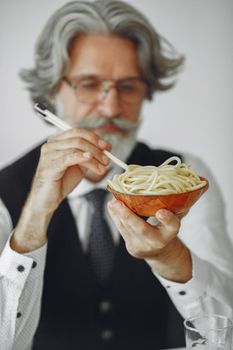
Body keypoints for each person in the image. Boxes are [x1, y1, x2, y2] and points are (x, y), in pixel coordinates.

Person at [0, 1, 233, 349]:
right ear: (51, 90)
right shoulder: (5, 189)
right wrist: (34, 217)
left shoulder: (187, 176)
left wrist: (171, 257)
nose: (110, 108)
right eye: (89, 84)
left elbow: (225, 331)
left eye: (128, 87)